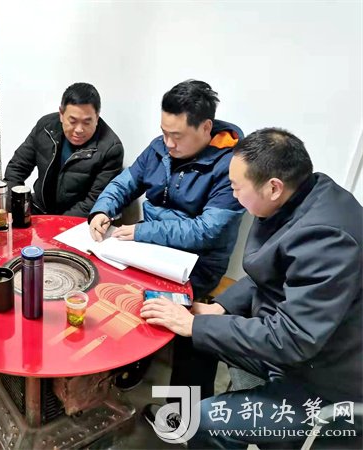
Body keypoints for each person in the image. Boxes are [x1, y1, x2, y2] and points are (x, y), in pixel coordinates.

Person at [141, 128, 362, 448]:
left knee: (206, 419)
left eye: (236, 187)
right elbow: (269, 275)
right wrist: (218, 309)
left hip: (320, 380)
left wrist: (195, 324)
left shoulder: (328, 239)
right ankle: (184, 419)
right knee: (193, 338)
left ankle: (200, 425)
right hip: (289, 342)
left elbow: (292, 339)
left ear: (273, 187)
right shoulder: (300, 194)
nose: (233, 195)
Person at [89, 80, 245, 390]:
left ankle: (140, 361)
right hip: (150, 248)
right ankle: (114, 357)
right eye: (164, 132)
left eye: (177, 136)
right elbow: (126, 182)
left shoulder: (232, 166)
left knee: (145, 300)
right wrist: (102, 210)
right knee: (101, 278)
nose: (168, 143)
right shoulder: (159, 148)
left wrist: (143, 231)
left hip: (196, 262)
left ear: (205, 128)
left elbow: (205, 231)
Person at [4, 82, 124, 217]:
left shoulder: (111, 148)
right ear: (61, 114)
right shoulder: (46, 126)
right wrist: (17, 207)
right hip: (39, 208)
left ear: (97, 117)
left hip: (77, 219)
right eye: (72, 121)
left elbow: (93, 202)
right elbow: (16, 168)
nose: (79, 129)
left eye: (87, 122)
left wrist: (57, 225)